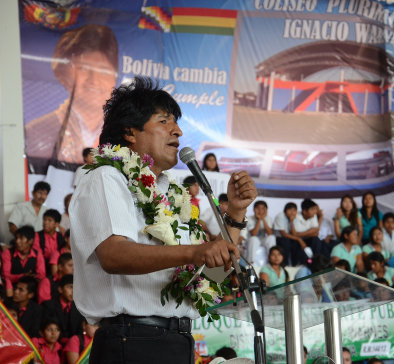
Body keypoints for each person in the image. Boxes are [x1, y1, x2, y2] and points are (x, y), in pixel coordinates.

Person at [69, 77, 253, 363]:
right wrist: (195, 251)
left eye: (176, 124)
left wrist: (237, 214)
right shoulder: (106, 177)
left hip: (178, 342)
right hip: (132, 342)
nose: (177, 131)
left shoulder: (173, 195)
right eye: (164, 122)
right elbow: (113, 254)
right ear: (130, 132)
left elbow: (211, 277)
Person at [25, 24, 118, 173]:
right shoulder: (36, 133)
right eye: (83, 68)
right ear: (64, 75)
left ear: (114, 78)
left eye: (103, 70)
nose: (94, 80)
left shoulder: (122, 135)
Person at [2, 225, 46, 297]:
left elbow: (41, 275)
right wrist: (23, 276)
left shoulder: (37, 254)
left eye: (21, 238)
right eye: (16, 238)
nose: (17, 241)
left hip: (30, 290)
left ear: (31, 241)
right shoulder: (8, 253)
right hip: (12, 289)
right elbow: (6, 276)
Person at [41, 274, 84, 341]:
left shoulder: (79, 308)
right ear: (60, 289)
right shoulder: (48, 306)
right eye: (70, 287)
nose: (74, 291)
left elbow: (80, 331)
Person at [273, 202, 310, 266]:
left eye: (294, 210)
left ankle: (296, 264)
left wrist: (291, 222)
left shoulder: (294, 218)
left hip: (289, 238)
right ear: (285, 211)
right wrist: (299, 239)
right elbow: (283, 234)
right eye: (290, 210)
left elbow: (294, 234)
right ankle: (285, 264)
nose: (292, 212)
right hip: (279, 238)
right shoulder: (280, 216)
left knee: (296, 244)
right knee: (287, 241)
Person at [241, 200, 276, 265]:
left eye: (263, 209)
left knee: (271, 237)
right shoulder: (249, 218)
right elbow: (254, 234)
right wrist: (260, 219)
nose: (260, 211)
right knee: (254, 238)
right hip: (252, 240)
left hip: (263, 240)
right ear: (254, 210)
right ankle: (251, 263)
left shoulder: (269, 218)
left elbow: (270, 233)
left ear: (266, 210)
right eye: (258, 208)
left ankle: (271, 262)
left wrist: (263, 219)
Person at [34, 209, 64, 276]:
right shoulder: (37, 236)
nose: (45, 223)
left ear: (56, 224)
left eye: (49, 220)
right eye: (44, 220)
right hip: (41, 265)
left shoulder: (61, 236)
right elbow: (38, 255)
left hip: (57, 266)